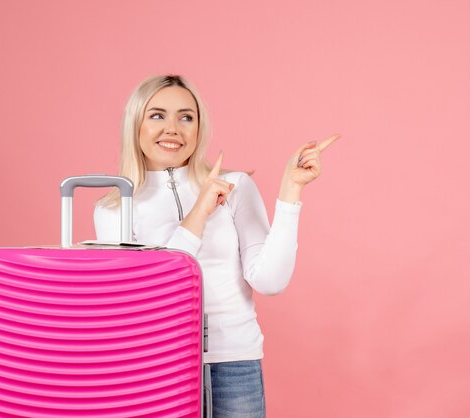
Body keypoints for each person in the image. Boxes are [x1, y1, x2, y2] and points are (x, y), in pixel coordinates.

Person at [94, 74, 337, 417]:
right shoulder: (115, 207)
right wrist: (200, 211)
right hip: (154, 368)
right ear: (135, 124)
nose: (173, 128)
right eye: (157, 115)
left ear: (199, 128)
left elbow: (270, 281)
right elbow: (149, 292)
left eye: (186, 117)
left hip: (234, 363)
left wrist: (290, 190)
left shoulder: (235, 186)